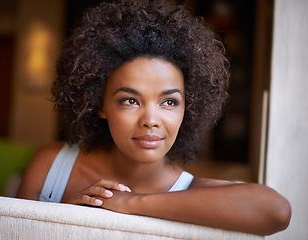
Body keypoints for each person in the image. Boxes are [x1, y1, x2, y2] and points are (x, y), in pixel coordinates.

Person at [16, 0, 291, 235]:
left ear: (188, 108)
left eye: (169, 102)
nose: (151, 120)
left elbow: (276, 210)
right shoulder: (51, 166)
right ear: (99, 105)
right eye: (130, 100)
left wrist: (130, 203)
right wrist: (64, 223)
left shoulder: (188, 190)